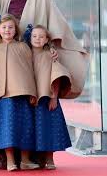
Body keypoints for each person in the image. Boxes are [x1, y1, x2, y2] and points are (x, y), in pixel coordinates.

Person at [0, 0, 88, 169]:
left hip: (36, 53)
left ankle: (40, 156)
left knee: (39, 105)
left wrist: (50, 49)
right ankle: (4, 155)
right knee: (12, 108)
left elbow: (55, 26)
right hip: (12, 58)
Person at [0, 14, 39, 171]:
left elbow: (30, 71)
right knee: (6, 129)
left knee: (25, 127)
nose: (7, 30)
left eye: (10, 27)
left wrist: (31, 91)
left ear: (16, 30)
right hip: (2, 97)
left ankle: (25, 160)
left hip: (22, 94)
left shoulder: (23, 47)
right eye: (4, 27)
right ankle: (10, 161)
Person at [28, 25, 72, 170]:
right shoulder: (25, 53)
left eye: (41, 37)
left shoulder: (50, 55)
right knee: (34, 129)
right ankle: (38, 158)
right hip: (31, 99)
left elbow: (56, 77)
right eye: (34, 36)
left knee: (48, 128)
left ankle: (49, 158)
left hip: (47, 98)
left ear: (47, 40)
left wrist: (54, 97)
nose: (37, 39)